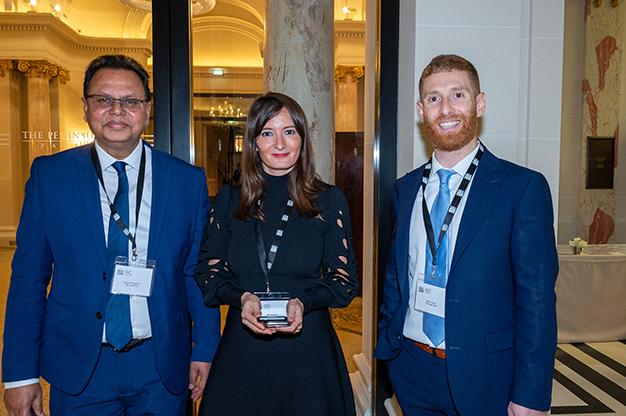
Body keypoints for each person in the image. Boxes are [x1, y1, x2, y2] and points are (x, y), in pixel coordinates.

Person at [2, 54, 221, 416]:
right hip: (80, 366)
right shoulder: (49, 176)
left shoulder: (187, 181)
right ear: (86, 107)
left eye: (131, 101)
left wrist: (206, 348)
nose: (117, 111)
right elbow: (29, 279)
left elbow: (195, 273)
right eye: (104, 99)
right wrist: (19, 375)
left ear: (147, 111)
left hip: (161, 364)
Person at [374, 54, 559, 416]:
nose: (445, 109)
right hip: (411, 367)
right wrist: (390, 341)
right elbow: (397, 274)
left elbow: (537, 302)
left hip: (487, 375)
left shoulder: (521, 188)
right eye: (434, 98)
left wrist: (531, 394)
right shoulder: (405, 188)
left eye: (457, 95)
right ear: (421, 110)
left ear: (479, 103)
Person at [194, 92, 358, 416]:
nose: (280, 143)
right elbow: (208, 273)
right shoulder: (229, 199)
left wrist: (303, 302)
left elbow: (343, 281)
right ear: (253, 143)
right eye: (268, 133)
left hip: (308, 353)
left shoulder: (328, 199)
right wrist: (242, 298)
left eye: (289, 131)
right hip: (242, 351)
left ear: (302, 139)